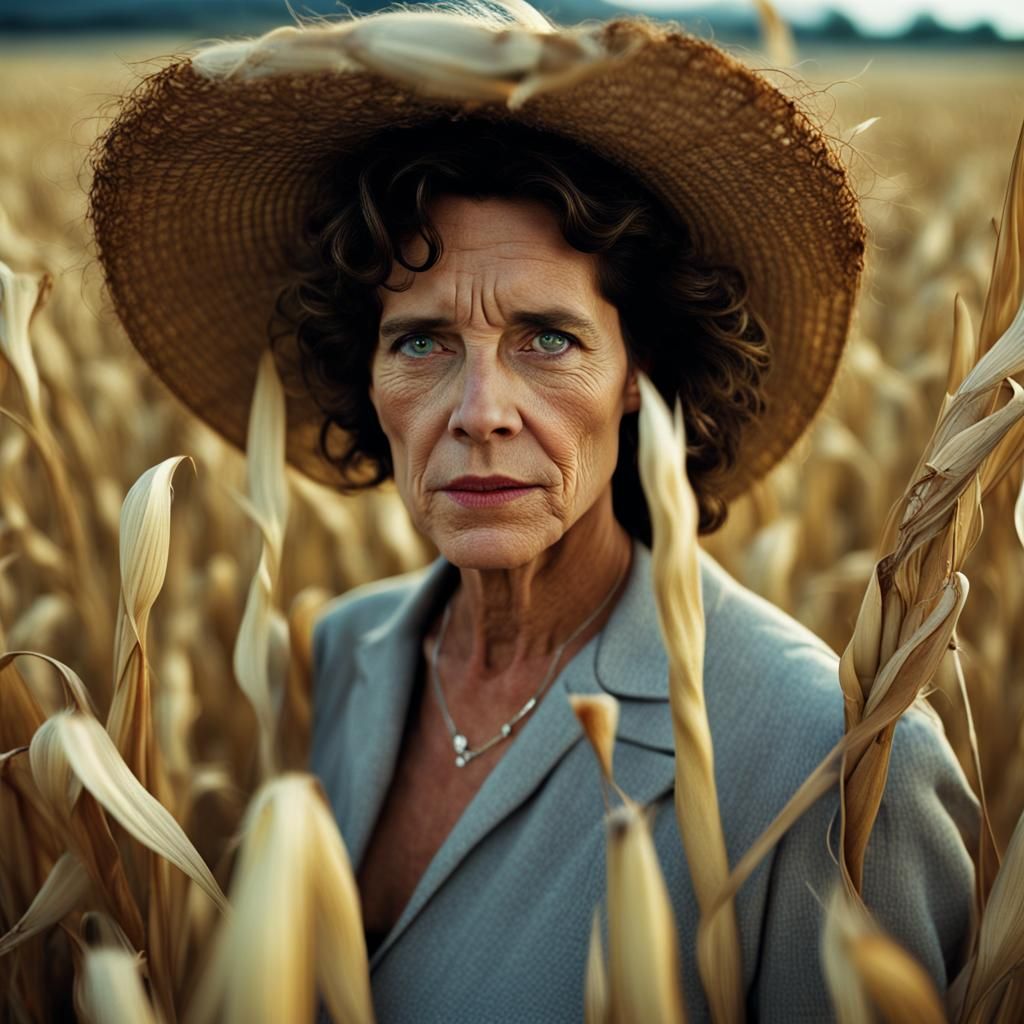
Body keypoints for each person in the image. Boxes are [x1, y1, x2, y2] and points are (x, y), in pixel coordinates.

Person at [87, 1, 979, 1020]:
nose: (477, 415)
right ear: (364, 376)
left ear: (641, 372)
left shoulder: (832, 758)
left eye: (546, 338)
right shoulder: (341, 653)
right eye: (420, 341)